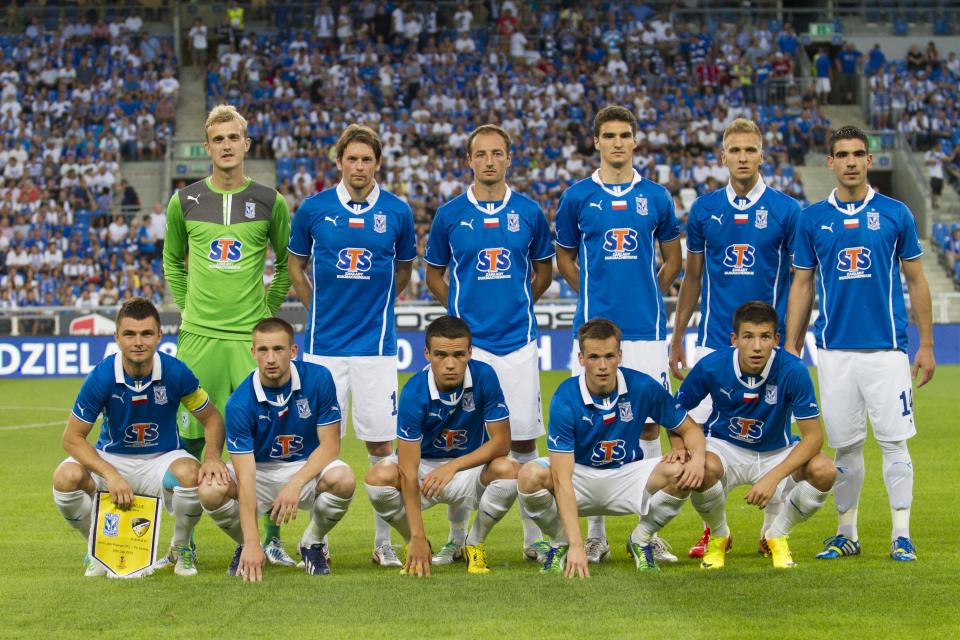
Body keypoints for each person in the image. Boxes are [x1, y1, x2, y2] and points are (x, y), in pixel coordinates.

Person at [786, 126, 935, 562]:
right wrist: (793, 345)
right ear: (829, 163)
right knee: (845, 447)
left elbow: (917, 279)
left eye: (858, 154)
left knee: (894, 442)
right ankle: (846, 532)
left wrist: (926, 344)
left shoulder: (896, 213)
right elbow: (801, 283)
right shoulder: (811, 219)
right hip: (834, 352)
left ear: (869, 160)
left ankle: (901, 534)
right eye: (842, 155)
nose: (851, 161)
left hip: (887, 351)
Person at [162, 104, 293, 565]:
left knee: (264, 439)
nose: (225, 146)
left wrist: (267, 311)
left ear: (246, 144)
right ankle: (185, 541)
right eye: (217, 140)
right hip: (198, 338)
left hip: (246, 340)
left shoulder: (270, 201)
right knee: (190, 441)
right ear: (207, 146)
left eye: (233, 138)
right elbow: (172, 261)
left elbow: (286, 266)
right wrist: (188, 307)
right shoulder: (185, 201)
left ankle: (270, 538)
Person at [669, 117, 803, 558]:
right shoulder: (705, 209)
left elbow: (802, 280)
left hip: (770, 347)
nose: (743, 157)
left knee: (775, 433)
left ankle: (770, 531)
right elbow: (692, 278)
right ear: (722, 156)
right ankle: (715, 529)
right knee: (699, 443)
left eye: (751, 150)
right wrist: (677, 337)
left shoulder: (787, 210)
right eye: (735, 150)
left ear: (762, 154)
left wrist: (793, 343)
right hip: (713, 343)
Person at [555, 105, 682, 564]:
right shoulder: (576, 197)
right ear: (597, 142)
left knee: (649, 424)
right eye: (608, 135)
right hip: (591, 332)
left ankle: (645, 532)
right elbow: (566, 258)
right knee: (592, 425)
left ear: (634, 141)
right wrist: (591, 295)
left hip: (646, 332)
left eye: (624, 135)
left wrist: (649, 293)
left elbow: (674, 259)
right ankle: (595, 533)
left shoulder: (656, 197)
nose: (616, 143)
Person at [424, 124, 554, 564]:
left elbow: (544, 273)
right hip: (469, 350)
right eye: (481, 154)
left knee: (522, 441)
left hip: (517, 343)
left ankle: (532, 537)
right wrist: (461, 318)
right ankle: (457, 536)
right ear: (469, 160)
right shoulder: (449, 215)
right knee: (463, 442)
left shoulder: (530, 212)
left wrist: (517, 306)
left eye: (497, 153)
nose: (490, 161)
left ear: (509, 158)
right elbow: (433, 275)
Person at [288, 124, 416, 568]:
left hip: (376, 349)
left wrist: (376, 306)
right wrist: (315, 304)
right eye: (352, 159)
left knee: (383, 448)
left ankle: (383, 544)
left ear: (377, 164)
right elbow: (294, 264)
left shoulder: (397, 212)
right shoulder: (314, 209)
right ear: (338, 162)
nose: (359, 167)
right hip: (323, 348)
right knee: (322, 446)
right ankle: (315, 537)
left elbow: (403, 271)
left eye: (367, 160)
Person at [51, 298, 228, 577]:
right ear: (117, 337)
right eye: (129, 334)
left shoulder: (175, 372)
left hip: (161, 460)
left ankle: (180, 548)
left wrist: (213, 457)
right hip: (113, 459)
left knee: (192, 474)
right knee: (65, 478)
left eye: (146, 333)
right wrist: (110, 474)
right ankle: (97, 549)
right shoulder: (101, 377)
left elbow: (212, 418)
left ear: (159, 335)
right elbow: (72, 438)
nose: (138, 342)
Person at [516, 318, 705, 577]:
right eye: (594, 357)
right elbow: (561, 479)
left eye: (609, 356)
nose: (602, 365)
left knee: (685, 470)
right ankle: (560, 542)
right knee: (529, 475)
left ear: (620, 356)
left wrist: (697, 460)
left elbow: (691, 429)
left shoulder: (642, 386)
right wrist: (574, 543)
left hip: (628, 474)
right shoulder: (565, 397)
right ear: (581, 359)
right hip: (579, 475)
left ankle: (641, 539)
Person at [678, 301, 836, 569]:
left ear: (776, 339)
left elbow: (814, 437)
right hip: (726, 447)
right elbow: (676, 409)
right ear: (734, 339)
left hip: (776, 451)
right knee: (701, 468)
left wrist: (773, 477)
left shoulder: (793, 370)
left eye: (765, 337)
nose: (757, 346)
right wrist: (682, 449)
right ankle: (719, 536)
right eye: (748, 336)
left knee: (824, 470)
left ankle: (776, 535)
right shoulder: (712, 365)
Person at [198, 317, 355, 580]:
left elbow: (330, 446)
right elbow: (246, 476)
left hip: (306, 467)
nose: (270, 358)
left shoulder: (318, 378)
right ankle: (247, 545)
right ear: (253, 353)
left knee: (344, 479)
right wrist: (250, 541)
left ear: (293, 351)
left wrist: (295, 484)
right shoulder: (239, 403)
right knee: (210, 491)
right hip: (258, 472)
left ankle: (312, 543)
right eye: (263, 350)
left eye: (278, 349)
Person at [365, 316, 519, 576]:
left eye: (459, 355)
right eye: (440, 355)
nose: (450, 364)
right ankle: (417, 543)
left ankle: (474, 543)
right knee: (377, 478)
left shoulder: (485, 376)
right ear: (427, 353)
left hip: (468, 467)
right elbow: (408, 469)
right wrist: (416, 535)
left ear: (470, 352)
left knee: (511, 470)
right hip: (423, 469)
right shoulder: (414, 392)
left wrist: (453, 467)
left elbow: (502, 442)